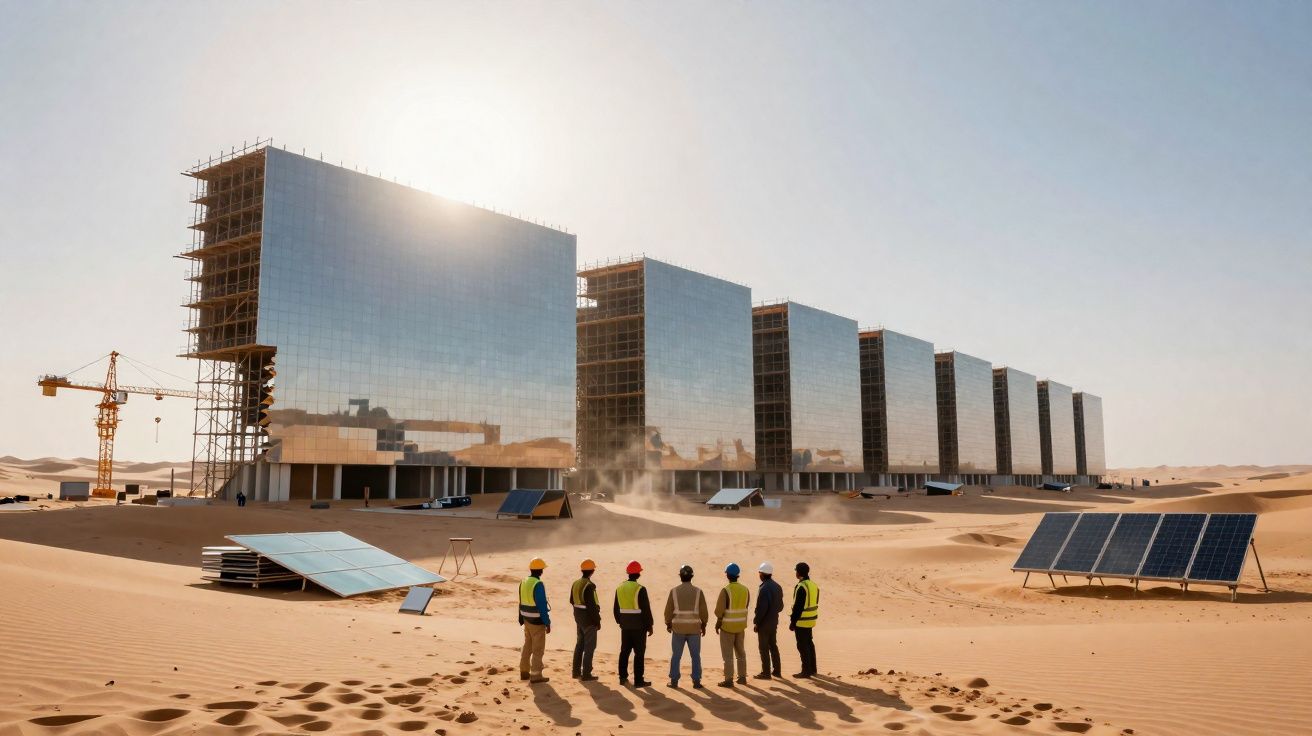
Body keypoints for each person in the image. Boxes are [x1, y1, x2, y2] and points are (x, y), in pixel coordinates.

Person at [663, 563, 708, 689]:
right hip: (694, 629)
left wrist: (668, 623)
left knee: (676, 655)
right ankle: (697, 681)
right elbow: (704, 611)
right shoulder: (698, 592)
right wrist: (703, 625)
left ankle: (674, 681)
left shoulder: (674, 591)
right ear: (692, 576)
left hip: (678, 629)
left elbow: (668, 611)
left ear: (680, 577)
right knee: (695, 656)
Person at [613, 560, 653, 687]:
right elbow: (646, 609)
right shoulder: (640, 589)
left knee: (624, 651)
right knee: (639, 653)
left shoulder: (619, 588)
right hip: (639, 626)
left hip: (625, 626)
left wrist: (620, 622)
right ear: (638, 574)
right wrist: (649, 625)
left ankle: (623, 678)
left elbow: (616, 609)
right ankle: (638, 680)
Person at [713, 562, 751, 687]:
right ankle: (742, 677)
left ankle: (728, 679)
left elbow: (719, 611)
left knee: (728, 655)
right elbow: (745, 606)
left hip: (727, 627)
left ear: (728, 575)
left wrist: (718, 624)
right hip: (740, 627)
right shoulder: (746, 590)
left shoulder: (726, 591)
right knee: (741, 653)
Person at [518, 557, 551, 684]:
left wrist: (521, 618)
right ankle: (536, 675)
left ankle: (524, 672)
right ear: (541, 570)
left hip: (526, 618)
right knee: (538, 649)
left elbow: (520, 601)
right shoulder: (538, 584)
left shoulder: (524, 581)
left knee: (527, 645)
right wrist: (547, 623)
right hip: (537, 621)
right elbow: (542, 606)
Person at [752, 561, 783, 680]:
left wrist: (757, 622)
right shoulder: (777, 586)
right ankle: (777, 671)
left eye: (760, 573)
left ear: (763, 574)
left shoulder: (764, 588)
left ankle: (766, 672)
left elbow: (761, 609)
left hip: (764, 623)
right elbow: (780, 607)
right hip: (774, 621)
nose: (759, 575)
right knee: (773, 645)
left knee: (763, 648)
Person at [571, 559, 601, 681]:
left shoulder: (575, 583)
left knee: (579, 645)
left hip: (578, 618)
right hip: (588, 620)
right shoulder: (589, 585)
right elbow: (592, 607)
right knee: (590, 647)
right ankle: (586, 673)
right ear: (592, 571)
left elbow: (571, 601)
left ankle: (575, 671)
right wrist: (597, 621)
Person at [789, 561, 819, 678]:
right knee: (809, 643)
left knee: (802, 645)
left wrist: (792, 622)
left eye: (796, 571)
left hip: (802, 621)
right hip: (811, 620)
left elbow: (798, 607)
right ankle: (813, 668)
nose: (795, 573)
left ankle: (806, 670)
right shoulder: (813, 585)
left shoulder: (801, 586)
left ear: (799, 573)